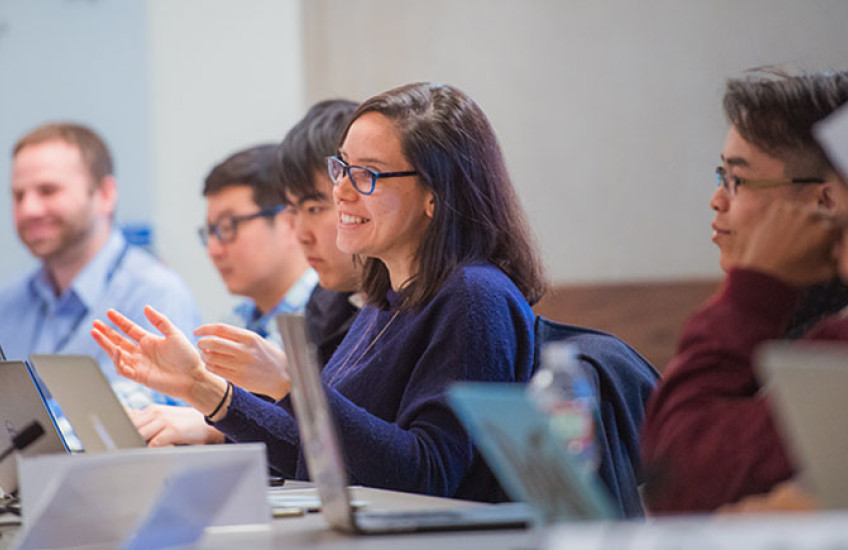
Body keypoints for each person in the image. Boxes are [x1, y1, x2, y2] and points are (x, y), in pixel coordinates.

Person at [92, 82, 546, 502]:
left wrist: (294, 383)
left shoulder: (473, 296)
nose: (342, 191)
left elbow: (426, 477)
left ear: (435, 195)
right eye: (341, 168)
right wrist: (203, 388)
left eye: (368, 174)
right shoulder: (384, 300)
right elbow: (315, 457)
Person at [641, 70, 848, 514]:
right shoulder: (793, 323)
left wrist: (754, 291)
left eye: (737, 179)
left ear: (828, 202)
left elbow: (678, 477)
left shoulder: (827, 345)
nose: (717, 200)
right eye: (721, 175)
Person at [0, 122, 201, 408]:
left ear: (105, 194)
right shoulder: (8, 303)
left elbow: (136, 427)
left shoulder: (154, 296)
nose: (28, 209)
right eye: (18, 196)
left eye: (48, 190)